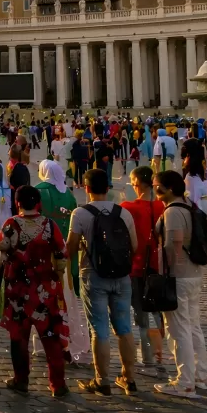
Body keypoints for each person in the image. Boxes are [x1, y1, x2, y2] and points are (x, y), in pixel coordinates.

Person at [67, 168, 139, 396]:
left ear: (86, 188)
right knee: (124, 328)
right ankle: (129, 378)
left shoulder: (80, 213)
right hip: (121, 276)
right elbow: (134, 246)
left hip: (94, 275)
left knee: (99, 330)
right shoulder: (123, 213)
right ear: (108, 188)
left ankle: (102, 380)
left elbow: (70, 248)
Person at [0, 185, 69, 397]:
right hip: (45, 290)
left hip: (18, 290)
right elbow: (61, 254)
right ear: (38, 203)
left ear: (17, 203)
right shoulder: (49, 225)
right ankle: (58, 384)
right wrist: (57, 277)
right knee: (50, 337)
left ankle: (21, 380)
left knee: (19, 337)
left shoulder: (10, 225)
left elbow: (0, 251)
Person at [152, 169, 207, 398]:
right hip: (193, 274)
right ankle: (200, 376)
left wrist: (165, 273)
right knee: (193, 327)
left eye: (157, 186)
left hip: (178, 276)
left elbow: (173, 245)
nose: (155, 189)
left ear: (169, 189)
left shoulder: (173, 211)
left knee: (179, 330)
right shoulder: (188, 206)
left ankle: (185, 383)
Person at [121, 165, 166, 375]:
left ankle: (148, 360)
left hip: (137, 266)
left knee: (141, 316)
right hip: (159, 266)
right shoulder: (162, 206)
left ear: (137, 183)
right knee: (158, 313)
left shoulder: (128, 207)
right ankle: (159, 355)